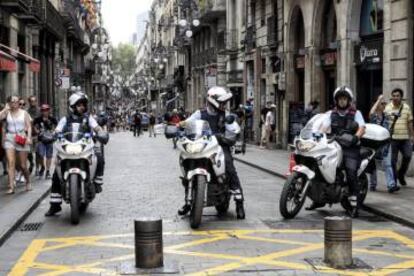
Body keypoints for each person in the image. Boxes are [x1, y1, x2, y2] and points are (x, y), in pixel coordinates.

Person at [177, 86, 245, 219]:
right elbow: (188, 123)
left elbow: (233, 130)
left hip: (220, 145)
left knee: (229, 166)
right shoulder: (200, 113)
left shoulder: (226, 114)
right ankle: (188, 201)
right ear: (212, 100)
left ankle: (239, 202)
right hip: (203, 145)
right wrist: (178, 126)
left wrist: (232, 132)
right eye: (222, 102)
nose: (224, 105)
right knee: (188, 162)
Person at [45, 92, 108, 216]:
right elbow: (57, 131)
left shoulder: (88, 118)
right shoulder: (65, 119)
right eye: (79, 105)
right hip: (68, 147)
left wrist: (101, 133)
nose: (82, 107)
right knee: (56, 174)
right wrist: (52, 135)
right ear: (72, 106)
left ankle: (97, 182)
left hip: (85, 146)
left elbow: (97, 128)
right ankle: (55, 205)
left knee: (99, 157)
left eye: (83, 105)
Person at [318, 86, 366, 218]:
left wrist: (356, 137)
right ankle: (318, 199)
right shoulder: (331, 113)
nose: (342, 101)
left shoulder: (356, 113)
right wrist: (317, 136)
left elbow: (362, 127)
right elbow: (323, 127)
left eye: (345, 98)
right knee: (321, 166)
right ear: (336, 100)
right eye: (340, 98)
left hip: (350, 147)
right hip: (334, 145)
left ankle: (354, 206)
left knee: (351, 173)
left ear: (349, 100)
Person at [0, 96, 33, 194]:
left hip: (21, 137)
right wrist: (5, 109)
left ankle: (28, 181)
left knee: (23, 165)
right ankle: (11, 186)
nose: (14, 103)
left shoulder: (24, 113)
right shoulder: (7, 112)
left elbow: (29, 126)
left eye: (16, 101)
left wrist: (29, 137)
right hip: (10, 138)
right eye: (12, 101)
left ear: (19, 102)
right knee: (11, 163)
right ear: (9, 103)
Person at [367, 95, 399, 193]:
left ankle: (391, 185)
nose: (384, 105)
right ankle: (373, 184)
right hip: (374, 144)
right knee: (373, 166)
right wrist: (378, 100)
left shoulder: (386, 115)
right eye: (382, 103)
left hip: (385, 143)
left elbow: (393, 115)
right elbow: (371, 113)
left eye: (385, 103)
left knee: (387, 164)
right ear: (377, 105)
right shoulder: (374, 116)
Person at [385, 88, 414, 187]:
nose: (395, 97)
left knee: (408, 156)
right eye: (394, 95)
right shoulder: (388, 108)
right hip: (392, 138)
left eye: (397, 96)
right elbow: (384, 122)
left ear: (401, 97)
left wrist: (412, 136)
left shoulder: (406, 107)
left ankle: (401, 174)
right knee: (392, 160)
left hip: (405, 138)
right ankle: (393, 182)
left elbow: (410, 122)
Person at [33, 104, 58, 179]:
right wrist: (37, 131)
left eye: (46, 110)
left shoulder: (52, 119)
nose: (45, 112)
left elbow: (56, 127)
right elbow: (33, 126)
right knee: (40, 154)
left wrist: (53, 132)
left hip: (50, 140)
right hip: (41, 139)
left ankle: (47, 171)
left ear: (49, 110)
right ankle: (43, 166)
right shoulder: (38, 119)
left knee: (49, 156)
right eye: (43, 110)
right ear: (41, 111)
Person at [27, 96, 40, 175]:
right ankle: (31, 163)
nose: (33, 102)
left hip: (37, 135)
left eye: (34, 101)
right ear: (29, 102)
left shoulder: (39, 111)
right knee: (29, 152)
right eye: (31, 101)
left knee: (38, 152)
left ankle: (37, 169)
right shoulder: (26, 111)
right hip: (29, 134)